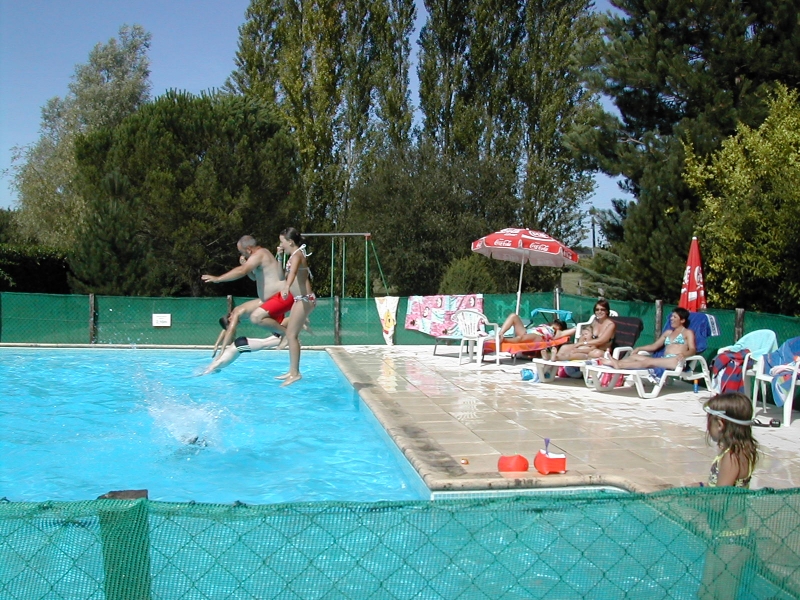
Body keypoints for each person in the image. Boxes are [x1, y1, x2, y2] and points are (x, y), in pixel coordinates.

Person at [696, 393, 759, 599]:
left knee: (722, 595)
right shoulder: (736, 452)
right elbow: (724, 487)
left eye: (709, 422)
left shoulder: (732, 457)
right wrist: (702, 486)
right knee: (706, 593)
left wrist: (695, 498)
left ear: (720, 424)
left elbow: (719, 502)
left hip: (731, 541)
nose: (707, 427)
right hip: (726, 537)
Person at [201, 235, 290, 353]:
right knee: (261, 319)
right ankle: (290, 331)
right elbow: (253, 277)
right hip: (271, 300)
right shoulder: (261, 256)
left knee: (256, 318)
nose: (243, 256)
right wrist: (245, 264)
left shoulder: (260, 254)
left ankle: (286, 333)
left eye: (243, 252)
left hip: (279, 297)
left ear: (249, 249)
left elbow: (242, 271)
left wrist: (218, 279)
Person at [274, 227, 315, 386]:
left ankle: (295, 373)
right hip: (300, 299)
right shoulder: (291, 256)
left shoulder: (298, 255)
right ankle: (292, 371)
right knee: (291, 334)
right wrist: (279, 256)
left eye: (282, 241)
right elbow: (280, 276)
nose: (280, 244)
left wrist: (286, 287)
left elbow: (291, 275)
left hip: (305, 299)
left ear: (290, 241)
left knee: (291, 335)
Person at [601, 307, 694, 370]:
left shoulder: (687, 332)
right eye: (671, 316)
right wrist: (639, 348)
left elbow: (693, 349)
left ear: (682, 320)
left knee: (648, 362)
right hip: (664, 359)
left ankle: (619, 365)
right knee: (634, 356)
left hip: (677, 361)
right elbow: (654, 346)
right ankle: (616, 363)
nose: (671, 319)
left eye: (675, 317)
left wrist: (684, 354)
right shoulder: (668, 333)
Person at [202, 335, 283, 375]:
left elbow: (214, 366)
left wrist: (204, 374)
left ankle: (289, 339)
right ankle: (283, 333)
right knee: (264, 341)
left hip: (240, 347)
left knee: (265, 345)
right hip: (238, 342)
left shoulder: (217, 363)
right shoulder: (216, 361)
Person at [497, 314, 572, 344]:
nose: (556, 324)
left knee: (521, 338)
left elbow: (572, 330)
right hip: (529, 331)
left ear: (561, 328)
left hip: (539, 336)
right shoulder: (546, 325)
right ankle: (500, 334)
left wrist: (580, 328)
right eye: (556, 322)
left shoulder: (558, 333)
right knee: (513, 316)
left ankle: (503, 340)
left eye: (559, 324)